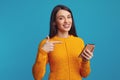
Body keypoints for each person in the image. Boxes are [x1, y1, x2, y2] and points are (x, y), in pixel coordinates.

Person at [32, 4, 94, 80]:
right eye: (61, 18)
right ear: (54, 22)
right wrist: (42, 52)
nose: (66, 21)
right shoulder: (47, 43)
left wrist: (85, 61)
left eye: (69, 17)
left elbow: (85, 74)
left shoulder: (79, 42)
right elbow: (37, 77)